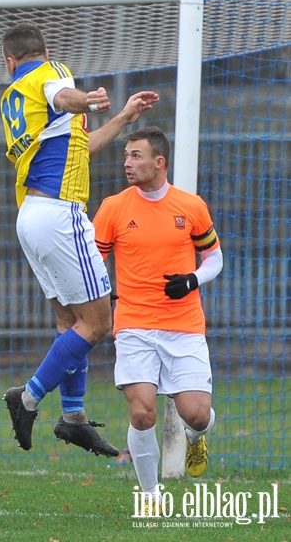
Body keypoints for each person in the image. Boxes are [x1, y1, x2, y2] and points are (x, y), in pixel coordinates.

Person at [0, 23, 160, 455]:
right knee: (99, 322)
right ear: (43, 54)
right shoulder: (49, 74)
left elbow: (79, 147)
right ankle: (28, 398)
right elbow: (62, 95)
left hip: (32, 215)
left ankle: (73, 418)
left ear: (8, 61)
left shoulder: (14, 95)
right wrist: (86, 98)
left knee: (70, 324)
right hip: (59, 213)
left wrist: (123, 118)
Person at [92, 127, 222, 509]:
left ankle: (198, 438)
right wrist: (102, 290)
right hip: (133, 324)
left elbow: (215, 258)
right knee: (143, 412)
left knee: (196, 415)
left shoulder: (190, 206)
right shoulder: (114, 207)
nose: (126, 163)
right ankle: (151, 497)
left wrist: (191, 280)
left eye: (135, 156)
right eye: (127, 155)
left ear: (158, 162)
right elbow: (94, 259)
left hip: (184, 326)